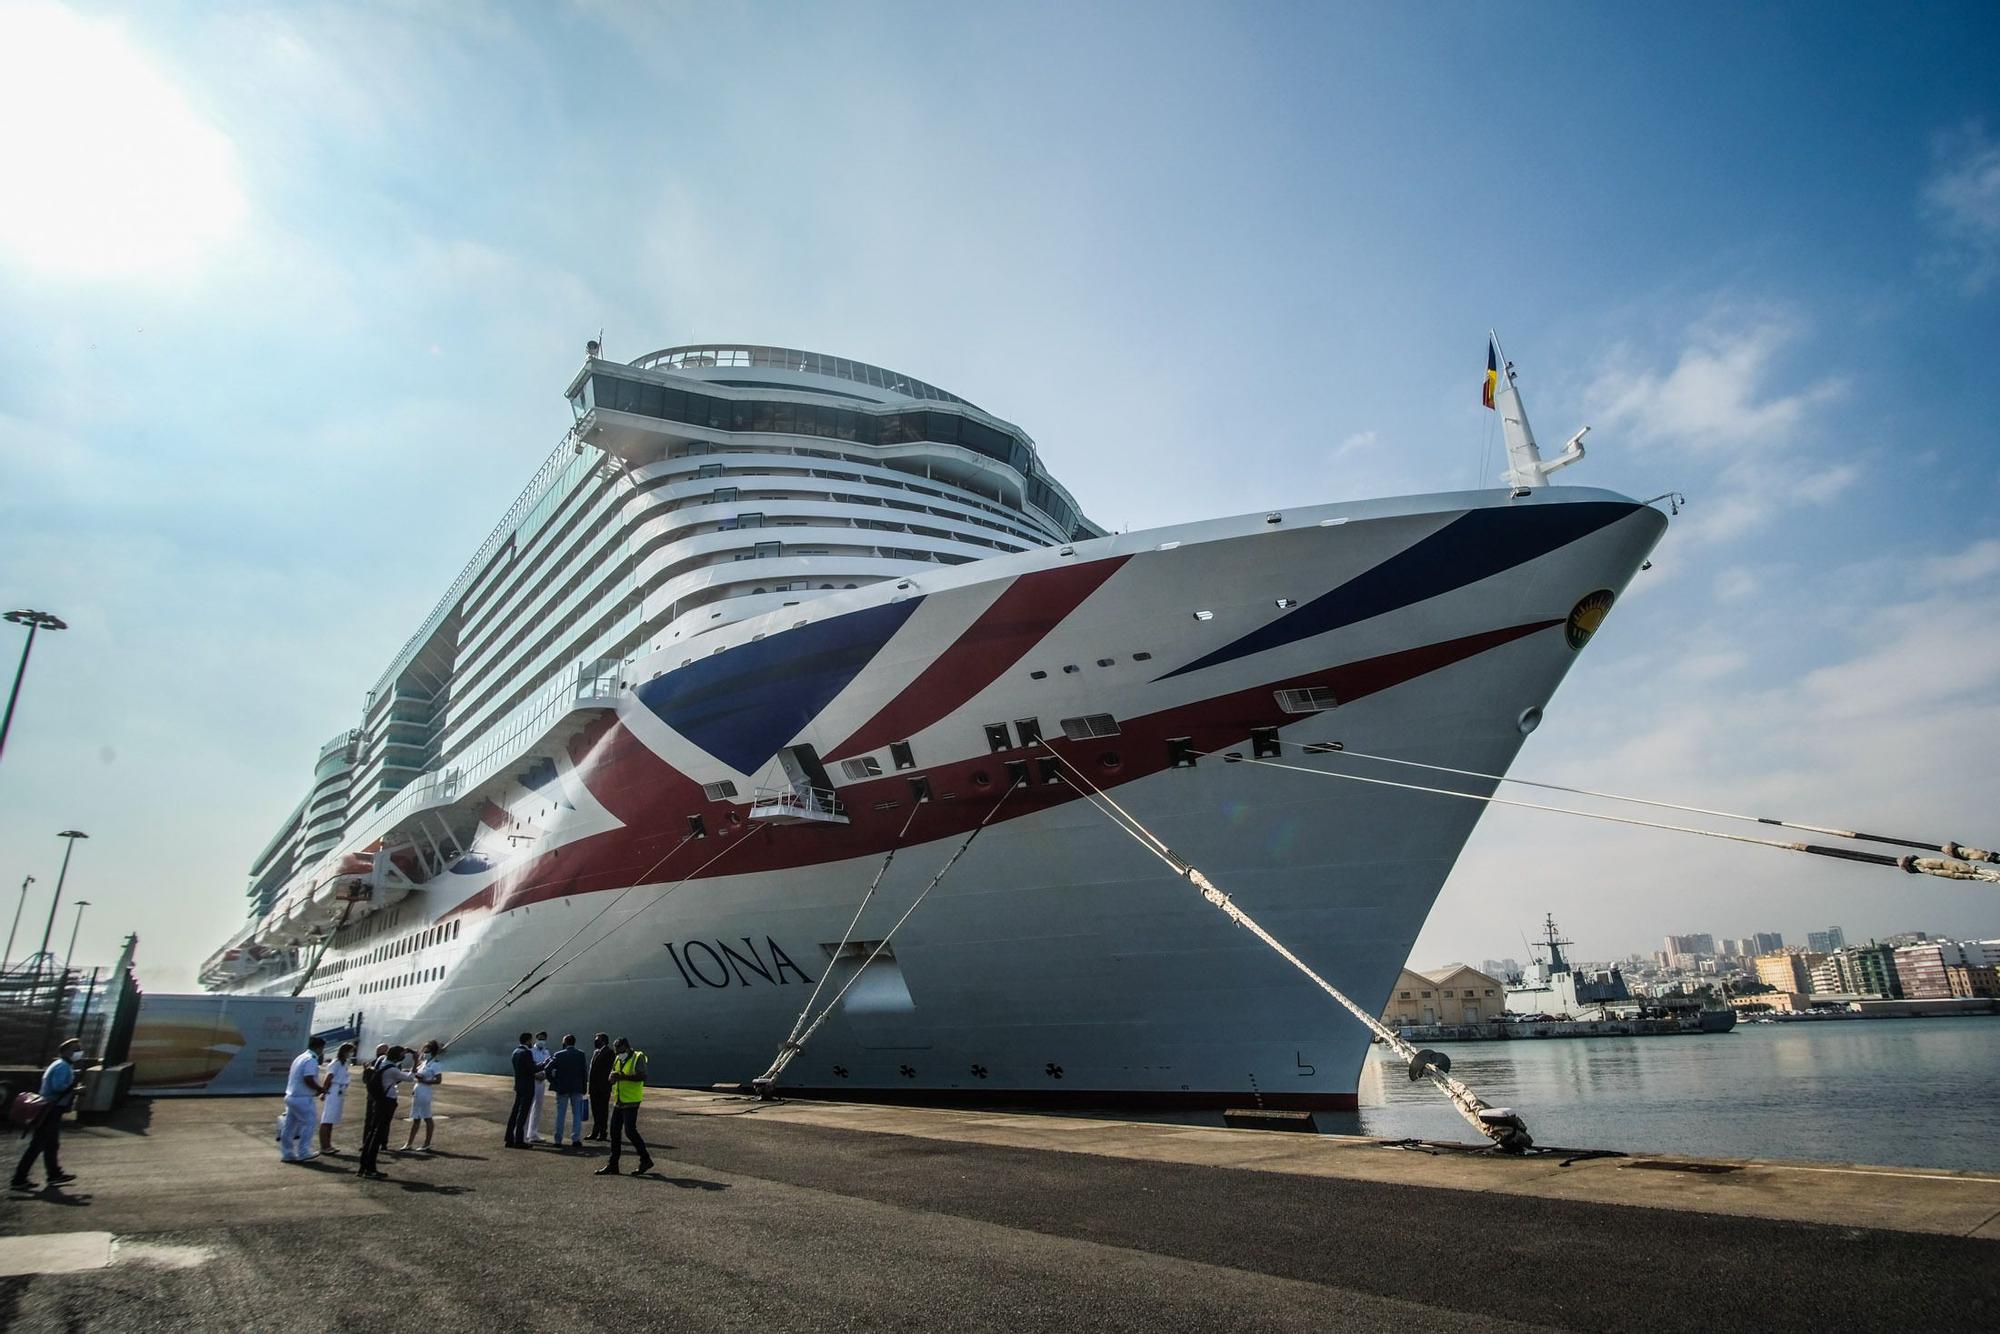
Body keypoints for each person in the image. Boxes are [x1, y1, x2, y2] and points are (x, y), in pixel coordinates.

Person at [11, 1037, 86, 1191]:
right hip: (51, 1109)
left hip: (51, 1108)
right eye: (76, 1049)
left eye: (79, 1049)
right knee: (37, 1145)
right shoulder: (63, 1067)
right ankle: (19, 1178)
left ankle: (54, 1174)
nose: (79, 1052)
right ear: (66, 1051)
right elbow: (57, 1087)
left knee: (51, 1144)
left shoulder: (60, 1065)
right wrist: (76, 1090)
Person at [595, 1036, 653, 1176]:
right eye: (616, 1051)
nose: (617, 1053)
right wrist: (612, 1078)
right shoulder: (618, 1058)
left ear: (627, 1047)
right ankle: (612, 1164)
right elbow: (614, 1073)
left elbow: (642, 1076)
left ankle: (645, 1159)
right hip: (619, 1101)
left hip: (632, 1101)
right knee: (614, 1132)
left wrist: (622, 1076)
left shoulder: (637, 1057)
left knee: (630, 1131)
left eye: (620, 1050)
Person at [356, 1044, 409, 1178]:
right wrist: (416, 1062)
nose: (404, 1056)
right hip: (386, 1102)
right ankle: (370, 1169)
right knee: (377, 1135)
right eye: (402, 1054)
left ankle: (364, 1166)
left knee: (372, 1133)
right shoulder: (392, 1069)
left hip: (377, 1101)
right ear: (398, 1056)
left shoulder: (382, 1062)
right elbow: (410, 1077)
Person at [280, 1035, 327, 1163]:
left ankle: (287, 1153)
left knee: (289, 1126)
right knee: (309, 1123)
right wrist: (320, 1089)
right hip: (303, 1098)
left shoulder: (300, 1057)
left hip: (291, 1096)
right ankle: (304, 1151)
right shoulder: (311, 1060)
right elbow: (308, 1078)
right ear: (320, 1047)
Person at [545, 1034, 589, 1148]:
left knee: (561, 1114)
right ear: (574, 1042)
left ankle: (558, 1140)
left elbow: (547, 1068)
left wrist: (553, 1081)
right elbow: (584, 1073)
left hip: (562, 1087)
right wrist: (584, 1087)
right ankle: (576, 1139)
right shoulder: (581, 1054)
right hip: (577, 1087)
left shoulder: (558, 1055)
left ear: (564, 1042)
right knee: (577, 1114)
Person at [400, 1041, 443, 1153]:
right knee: (416, 1118)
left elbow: (438, 1080)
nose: (425, 1053)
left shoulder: (435, 1064)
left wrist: (424, 1080)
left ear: (432, 1052)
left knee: (427, 1117)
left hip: (425, 1091)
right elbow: (415, 1068)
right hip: (418, 1090)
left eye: (427, 1051)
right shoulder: (424, 1062)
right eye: (424, 1051)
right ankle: (408, 1143)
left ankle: (426, 1144)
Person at [319, 1042, 357, 1154]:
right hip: (334, 1090)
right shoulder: (335, 1063)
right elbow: (329, 1077)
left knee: (331, 1119)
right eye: (351, 1051)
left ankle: (328, 1144)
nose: (352, 1053)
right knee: (327, 1118)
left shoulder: (344, 1063)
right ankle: (324, 1146)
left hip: (340, 1091)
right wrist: (324, 1092)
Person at [505, 1032, 536, 1148]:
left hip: (519, 1086)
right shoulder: (527, 1053)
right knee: (522, 1114)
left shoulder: (515, 1052)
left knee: (514, 1113)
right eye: (531, 1040)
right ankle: (519, 1140)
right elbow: (532, 1069)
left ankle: (509, 1138)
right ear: (528, 1040)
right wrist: (546, 1064)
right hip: (527, 1087)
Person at [523, 1031, 552, 1143]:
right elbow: (529, 1066)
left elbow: (549, 1065)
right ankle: (523, 1133)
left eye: (543, 1039)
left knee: (538, 1107)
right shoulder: (530, 1051)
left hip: (541, 1082)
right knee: (528, 1106)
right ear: (536, 1039)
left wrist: (544, 1074)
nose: (541, 1041)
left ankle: (533, 1133)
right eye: (539, 1039)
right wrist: (535, 1075)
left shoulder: (546, 1052)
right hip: (532, 1081)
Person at [585, 1033, 614, 1141]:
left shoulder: (609, 1052)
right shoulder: (596, 1052)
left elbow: (608, 1070)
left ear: (603, 1041)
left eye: (597, 1040)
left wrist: (605, 1085)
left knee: (603, 1111)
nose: (595, 1041)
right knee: (595, 1111)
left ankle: (603, 1133)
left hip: (603, 1088)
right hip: (594, 1088)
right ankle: (595, 1132)